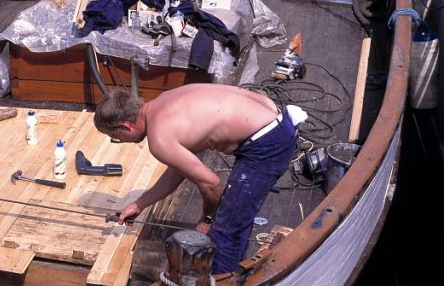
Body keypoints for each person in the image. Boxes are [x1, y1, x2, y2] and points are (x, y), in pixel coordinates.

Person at [94, 86, 305, 275]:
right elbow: (177, 171)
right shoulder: (165, 99)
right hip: (275, 119)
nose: (120, 142)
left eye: (116, 137)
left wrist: (208, 219)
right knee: (233, 218)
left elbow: (211, 183)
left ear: (125, 127)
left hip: (267, 143)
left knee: (225, 231)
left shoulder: (159, 138)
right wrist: (138, 204)